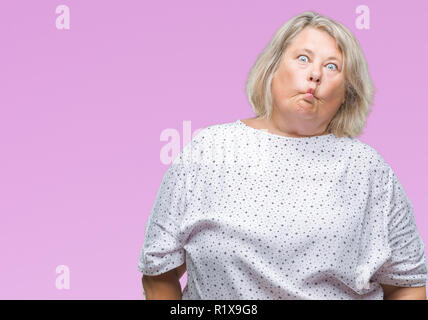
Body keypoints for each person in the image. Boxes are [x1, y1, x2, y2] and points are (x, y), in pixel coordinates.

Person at [137, 10, 427, 300]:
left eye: (332, 67)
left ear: (346, 95)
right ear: (273, 69)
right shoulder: (207, 150)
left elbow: (407, 284)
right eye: (303, 59)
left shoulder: (369, 170)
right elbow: (157, 272)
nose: (315, 74)